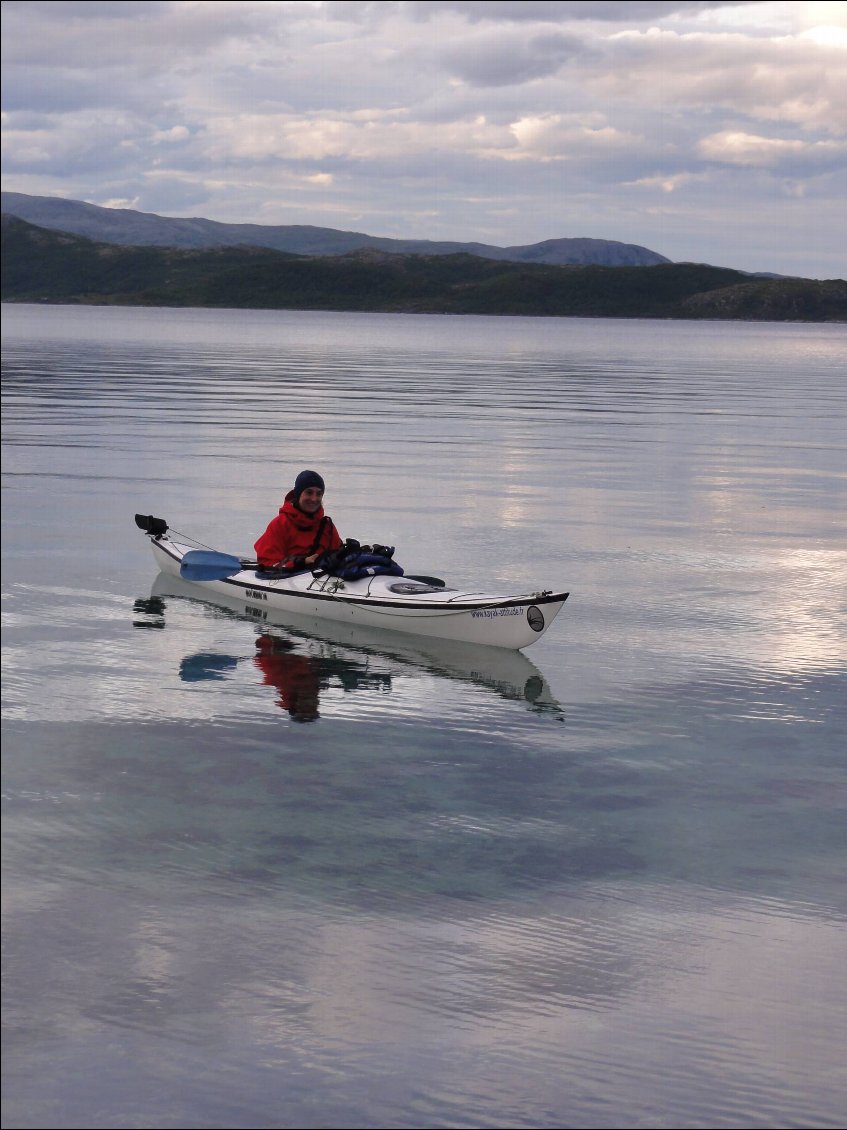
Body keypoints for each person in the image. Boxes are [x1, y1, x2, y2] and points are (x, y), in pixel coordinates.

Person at [254, 469, 343, 570]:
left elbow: (338, 557)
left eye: (318, 494)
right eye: (309, 493)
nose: (314, 499)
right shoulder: (279, 524)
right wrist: (301, 563)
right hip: (285, 581)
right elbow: (267, 563)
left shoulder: (327, 526)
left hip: (320, 581)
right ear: (298, 494)